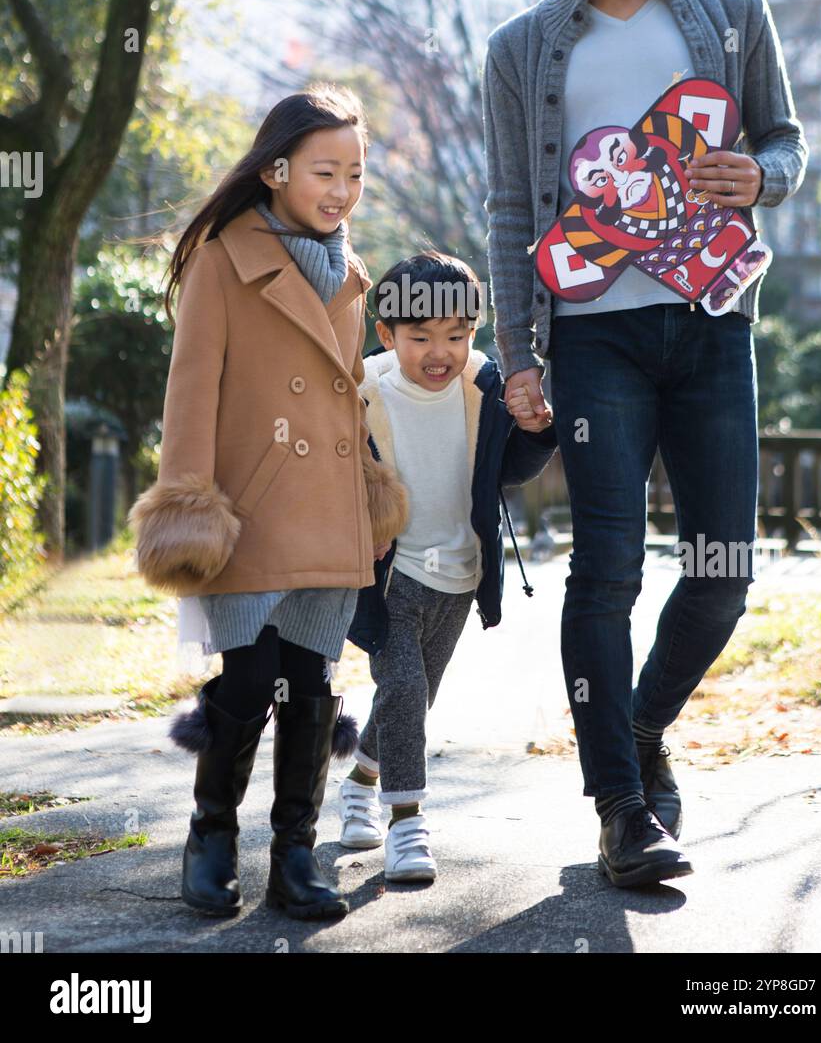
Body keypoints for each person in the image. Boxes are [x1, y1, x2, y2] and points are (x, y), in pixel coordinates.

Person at [481, 0, 809, 889]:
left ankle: (638, 723)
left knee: (722, 573)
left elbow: (785, 139)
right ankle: (621, 804)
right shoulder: (520, 48)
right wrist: (517, 352)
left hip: (711, 321)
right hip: (592, 337)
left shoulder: (726, 13)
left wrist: (758, 178)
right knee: (607, 567)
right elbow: (511, 205)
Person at [128, 84, 408, 921]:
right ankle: (211, 834)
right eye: (326, 171)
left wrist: (367, 481)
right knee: (249, 681)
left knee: (313, 683)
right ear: (277, 169)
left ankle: (295, 852)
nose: (342, 190)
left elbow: (348, 394)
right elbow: (191, 389)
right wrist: (188, 497)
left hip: (326, 505)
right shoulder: (222, 255)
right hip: (247, 509)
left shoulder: (350, 271)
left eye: (355, 174)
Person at [337, 252, 558, 881]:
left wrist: (537, 433)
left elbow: (502, 470)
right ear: (387, 334)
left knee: (412, 698)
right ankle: (406, 821)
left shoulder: (482, 387)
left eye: (457, 336)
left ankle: (359, 782)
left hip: (460, 575)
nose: (441, 352)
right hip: (390, 575)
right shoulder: (364, 393)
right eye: (421, 337)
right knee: (404, 686)